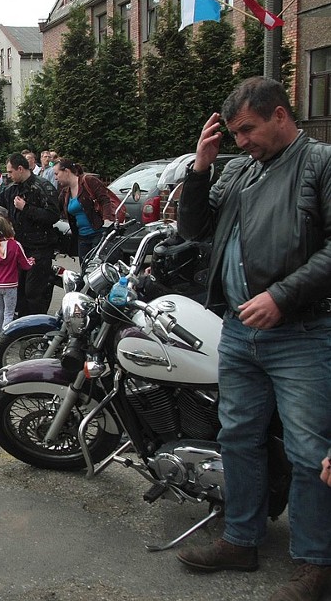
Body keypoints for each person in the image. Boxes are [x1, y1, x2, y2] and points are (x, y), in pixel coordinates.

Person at [175, 77, 331, 601]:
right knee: (237, 438)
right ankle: (241, 539)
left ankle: (316, 562)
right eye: (234, 132)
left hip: (302, 332)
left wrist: (282, 296)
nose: (241, 141)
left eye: (249, 130)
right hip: (240, 331)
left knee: (311, 452)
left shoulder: (319, 163)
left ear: (281, 115)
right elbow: (193, 229)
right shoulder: (239, 169)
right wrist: (201, 166)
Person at [0, 152, 60, 316]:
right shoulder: (11, 190)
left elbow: (53, 215)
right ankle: (23, 330)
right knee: (20, 292)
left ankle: (37, 329)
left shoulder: (42, 186)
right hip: (20, 248)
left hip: (40, 248)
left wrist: (27, 208)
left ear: (20, 169)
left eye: (10, 172)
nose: (8, 176)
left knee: (33, 292)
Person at [54, 159, 115, 261]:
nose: (55, 178)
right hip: (82, 237)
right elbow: (55, 209)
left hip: (98, 233)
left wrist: (107, 221)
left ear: (67, 171)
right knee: (85, 271)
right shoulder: (65, 193)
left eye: (57, 174)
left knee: (96, 270)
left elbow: (105, 200)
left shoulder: (89, 181)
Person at [0, 215, 34, 334]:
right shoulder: (15, 245)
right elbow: (25, 264)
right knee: (9, 312)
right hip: (10, 284)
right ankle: (6, 337)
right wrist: (31, 261)